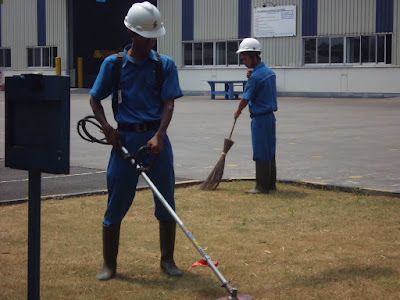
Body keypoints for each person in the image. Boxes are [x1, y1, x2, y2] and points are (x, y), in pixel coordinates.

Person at [89, 1, 183, 280]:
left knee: (166, 200)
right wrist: (108, 129)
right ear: (132, 34)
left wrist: (160, 135)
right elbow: (95, 98)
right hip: (125, 141)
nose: (152, 41)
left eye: (155, 36)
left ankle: (167, 260)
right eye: (147, 36)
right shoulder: (113, 65)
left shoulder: (164, 65)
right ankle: (110, 264)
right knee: (116, 200)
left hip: (156, 141)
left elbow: (169, 103)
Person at [233, 38, 278, 194]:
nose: (244, 62)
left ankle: (261, 186)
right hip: (270, 117)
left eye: (245, 58)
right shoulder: (269, 72)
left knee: (260, 150)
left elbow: (246, 97)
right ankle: (271, 183)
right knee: (270, 149)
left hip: (259, 118)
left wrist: (238, 111)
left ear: (254, 57)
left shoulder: (256, 76)